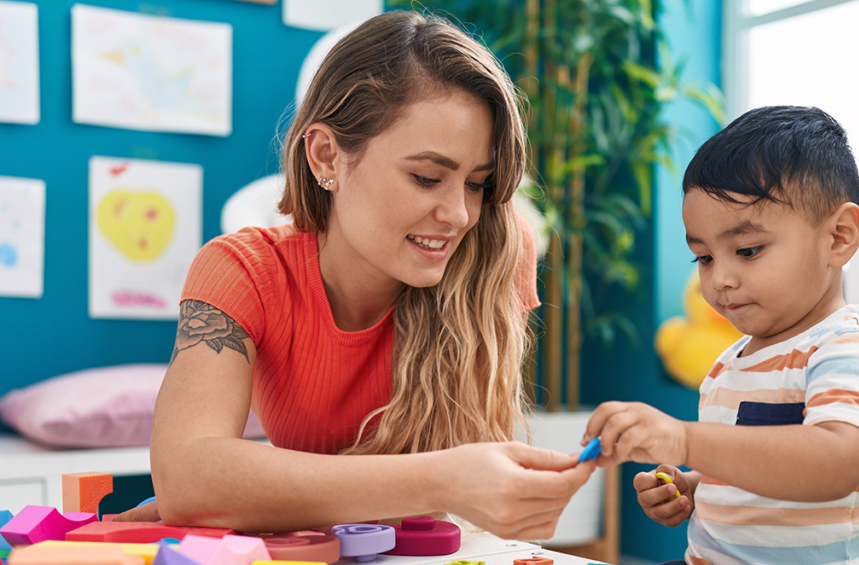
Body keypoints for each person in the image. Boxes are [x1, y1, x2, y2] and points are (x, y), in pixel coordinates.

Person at [115, 10, 595, 538]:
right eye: (427, 177)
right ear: (327, 157)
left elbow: (203, 490)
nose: (459, 215)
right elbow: (188, 479)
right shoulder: (243, 271)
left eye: (477, 183)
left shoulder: (497, 254)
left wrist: (244, 493)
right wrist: (441, 480)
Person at [583, 106, 859, 565]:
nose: (720, 279)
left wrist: (685, 440)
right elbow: (751, 464)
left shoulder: (848, 350)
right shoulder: (731, 362)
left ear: (840, 236)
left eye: (747, 251)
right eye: (704, 256)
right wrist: (689, 486)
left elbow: (832, 461)